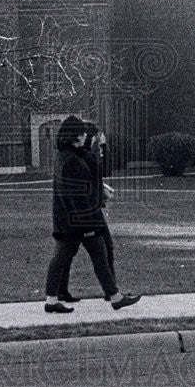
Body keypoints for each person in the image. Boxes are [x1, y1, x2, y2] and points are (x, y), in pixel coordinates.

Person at [44, 115, 140, 313]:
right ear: (76, 136)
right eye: (83, 133)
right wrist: (89, 221)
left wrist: (98, 146)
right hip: (81, 219)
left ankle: (53, 300)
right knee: (98, 256)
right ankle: (114, 297)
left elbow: (96, 168)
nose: (86, 136)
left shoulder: (71, 155)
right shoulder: (71, 161)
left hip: (72, 220)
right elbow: (76, 195)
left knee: (67, 256)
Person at [57, 121, 116, 301]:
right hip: (86, 212)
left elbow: (105, 170)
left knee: (68, 253)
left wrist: (103, 147)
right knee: (101, 250)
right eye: (96, 135)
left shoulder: (88, 154)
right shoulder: (81, 156)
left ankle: (62, 291)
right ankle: (112, 293)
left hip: (90, 209)